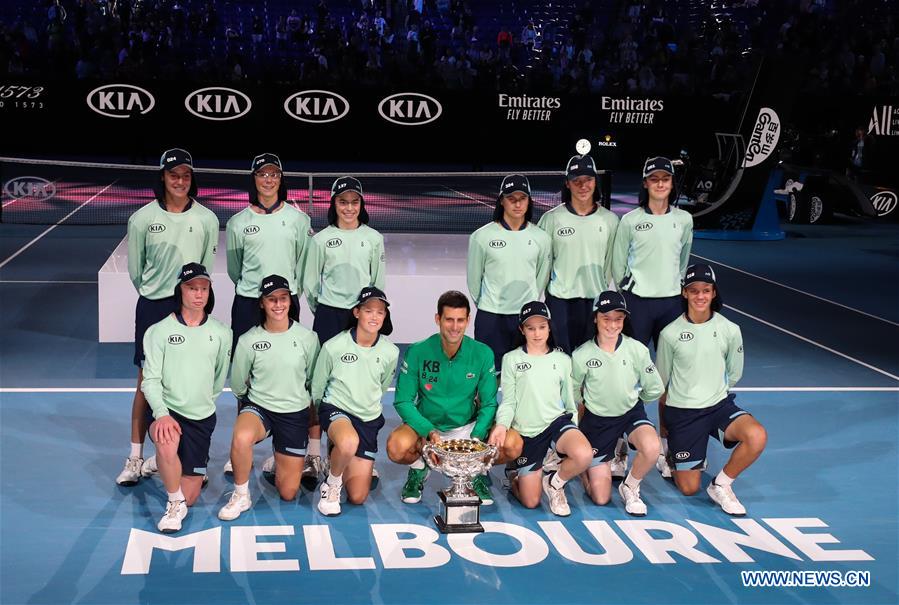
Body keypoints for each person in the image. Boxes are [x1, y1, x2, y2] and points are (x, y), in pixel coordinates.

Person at [117, 149, 219, 487]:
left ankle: (193, 459)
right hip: (153, 307)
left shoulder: (207, 219)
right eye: (174, 175)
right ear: (162, 176)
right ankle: (135, 457)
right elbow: (136, 271)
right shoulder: (142, 219)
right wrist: (158, 294)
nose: (180, 181)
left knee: (192, 380)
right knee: (146, 382)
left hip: (191, 307)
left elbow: (204, 270)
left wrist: (190, 300)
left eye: (186, 175)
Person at [224, 153, 312, 475]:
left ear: (280, 179)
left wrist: (285, 295)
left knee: (288, 371)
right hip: (248, 302)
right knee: (245, 374)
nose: (268, 179)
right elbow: (235, 270)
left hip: (285, 302)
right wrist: (255, 293)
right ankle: (242, 448)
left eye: (274, 174)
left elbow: (303, 262)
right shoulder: (238, 222)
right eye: (263, 174)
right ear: (255, 179)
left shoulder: (299, 220)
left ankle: (283, 448)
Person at [656, 264, 767, 515]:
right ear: (685, 293)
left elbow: (734, 373)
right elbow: (662, 384)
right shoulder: (670, 334)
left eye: (706, 290)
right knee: (689, 488)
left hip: (718, 407)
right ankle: (675, 454)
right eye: (694, 290)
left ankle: (721, 485)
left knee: (757, 435)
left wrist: (711, 390)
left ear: (714, 293)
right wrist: (664, 436)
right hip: (683, 413)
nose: (700, 296)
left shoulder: (730, 330)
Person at [610, 156, 693, 479]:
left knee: (669, 380)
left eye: (665, 179)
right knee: (627, 375)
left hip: (671, 305)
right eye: (654, 179)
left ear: (672, 184)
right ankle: (619, 447)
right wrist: (630, 289)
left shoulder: (684, 220)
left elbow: (683, 259)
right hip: (637, 305)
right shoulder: (630, 220)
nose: (660, 184)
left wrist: (673, 286)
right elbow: (618, 263)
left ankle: (666, 448)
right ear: (645, 183)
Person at [302, 176, 386, 488]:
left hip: (362, 315)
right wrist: (325, 309)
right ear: (334, 204)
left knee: (360, 378)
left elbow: (378, 282)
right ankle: (314, 453)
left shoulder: (373, 238)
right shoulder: (322, 239)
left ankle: (356, 449)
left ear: (361, 205)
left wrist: (369, 313)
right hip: (329, 314)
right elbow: (310, 283)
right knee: (320, 381)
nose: (349, 207)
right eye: (343, 202)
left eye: (354, 202)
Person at [387, 290, 505, 506]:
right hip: (428, 428)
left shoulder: (483, 353)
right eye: (449, 319)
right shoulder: (417, 351)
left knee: (513, 444)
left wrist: (476, 439)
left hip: (467, 427)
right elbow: (403, 401)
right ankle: (418, 468)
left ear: (468, 320)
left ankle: (475, 473)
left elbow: (489, 403)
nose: (455, 326)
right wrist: (428, 430)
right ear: (437, 319)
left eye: (460, 320)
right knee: (397, 446)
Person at [218, 274, 320, 521]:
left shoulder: (308, 338)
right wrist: (254, 401)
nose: (278, 304)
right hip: (260, 409)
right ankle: (241, 494)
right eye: (272, 299)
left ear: (290, 301)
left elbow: (313, 382)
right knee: (241, 436)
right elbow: (238, 385)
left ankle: (279, 456)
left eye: (283, 298)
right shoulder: (248, 340)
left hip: (294, 414)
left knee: (288, 492)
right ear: (262, 303)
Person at [141, 263, 231, 532]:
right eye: (192, 288)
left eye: (203, 288)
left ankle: (164, 464)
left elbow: (218, 378)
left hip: (201, 418)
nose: (198, 294)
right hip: (168, 411)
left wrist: (203, 402)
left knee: (191, 497)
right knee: (167, 441)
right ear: (180, 290)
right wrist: (161, 414)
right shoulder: (158, 331)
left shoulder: (222, 332)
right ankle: (173, 504)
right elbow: (150, 381)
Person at [488, 301, 592, 516]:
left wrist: (573, 430)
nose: (537, 333)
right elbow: (509, 401)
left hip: (556, 424)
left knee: (583, 454)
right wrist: (501, 425)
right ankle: (514, 472)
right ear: (522, 330)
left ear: (549, 327)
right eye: (531, 328)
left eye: (542, 327)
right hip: (527, 433)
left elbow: (570, 401)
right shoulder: (511, 359)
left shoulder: (563, 360)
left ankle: (555, 483)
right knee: (531, 501)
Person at [571, 291, 663, 516]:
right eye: (606, 318)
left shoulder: (637, 350)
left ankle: (630, 486)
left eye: (618, 319)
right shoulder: (582, 355)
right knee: (600, 497)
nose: (612, 325)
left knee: (652, 447)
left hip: (630, 414)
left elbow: (655, 388)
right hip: (597, 421)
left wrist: (634, 402)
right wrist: (585, 405)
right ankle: (584, 467)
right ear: (595, 318)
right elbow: (572, 390)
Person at [311, 287, 399, 516]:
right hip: (337, 409)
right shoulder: (334, 346)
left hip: (368, 420)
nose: (374, 317)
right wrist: (326, 418)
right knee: (348, 441)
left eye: (380, 312)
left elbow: (381, 386)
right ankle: (331, 485)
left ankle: (338, 455)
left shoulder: (390, 352)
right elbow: (318, 388)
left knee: (358, 497)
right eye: (368, 311)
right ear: (357, 312)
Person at [467, 174, 551, 373]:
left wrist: (529, 303)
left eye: (522, 198)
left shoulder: (542, 238)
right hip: (490, 317)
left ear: (529, 201)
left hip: (524, 318)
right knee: (488, 375)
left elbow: (541, 277)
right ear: (502, 201)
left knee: (524, 374)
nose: (517, 204)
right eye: (511, 199)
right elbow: (473, 279)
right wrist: (488, 304)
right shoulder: (481, 236)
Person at [537, 154, 619, 354]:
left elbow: (610, 263)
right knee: (560, 359)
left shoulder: (610, 220)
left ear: (595, 181)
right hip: (559, 301)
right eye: (576, 181)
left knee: (590, 360)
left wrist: (599, 286)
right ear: (567, 183)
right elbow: (542, 263)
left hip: (594, 301)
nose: (583, 186)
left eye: (588, 179)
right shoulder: (551, 219)